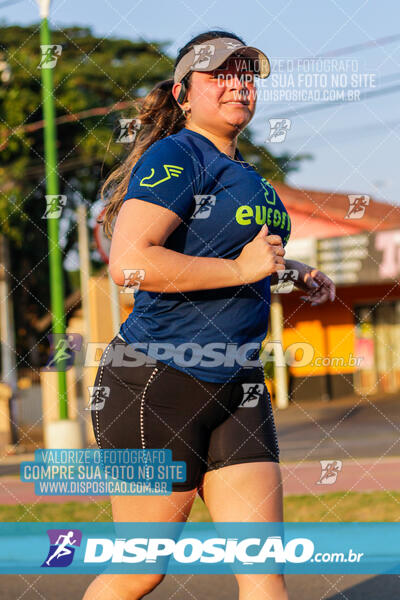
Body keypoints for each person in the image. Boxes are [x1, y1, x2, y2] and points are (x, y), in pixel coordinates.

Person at [83, 29, 335, 600]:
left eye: (245, 73)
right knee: (142, 570)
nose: (238, 83)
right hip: (156, 380)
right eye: (219, 73)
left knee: (264, 575)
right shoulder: (177, 156)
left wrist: (287, 268)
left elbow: (224, 250)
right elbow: (130, 263)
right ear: (183, 94)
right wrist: (242, 271)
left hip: (238, 383)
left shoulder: (247, 173)